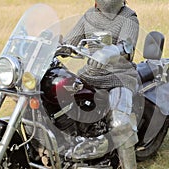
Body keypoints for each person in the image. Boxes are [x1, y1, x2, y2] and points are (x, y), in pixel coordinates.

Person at [58, 0, 140, 168]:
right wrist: (55, 46)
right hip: (90, 74)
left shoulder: (129, 17)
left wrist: (111, 52)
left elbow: (127, 47)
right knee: (60, 102)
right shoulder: (89, 16)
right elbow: (70, 42)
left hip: (120, 77)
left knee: (120, 123)